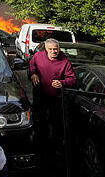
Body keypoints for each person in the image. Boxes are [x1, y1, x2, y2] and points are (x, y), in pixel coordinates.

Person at [29, 38, 76, 170]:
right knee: (40, 120)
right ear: (46, 49)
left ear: (59, 49)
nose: (53, 51)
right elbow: (32, 65)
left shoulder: (64, 61)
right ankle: (39, 146)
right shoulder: (38, 56)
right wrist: (33, 74)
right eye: (51, 49)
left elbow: (72, 78)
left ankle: (56, 150)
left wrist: (62, 83)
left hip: (56, 98)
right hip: (40, 95)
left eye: (56, 49)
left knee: (56, 123)